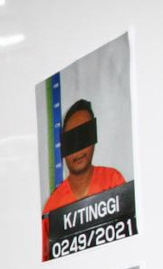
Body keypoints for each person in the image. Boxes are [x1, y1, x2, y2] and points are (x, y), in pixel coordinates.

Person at [41, 99, 126, 259]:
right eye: (72, 141)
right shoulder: (52, 208)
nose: (78, 149)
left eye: (84, 136)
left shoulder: (114, 182)